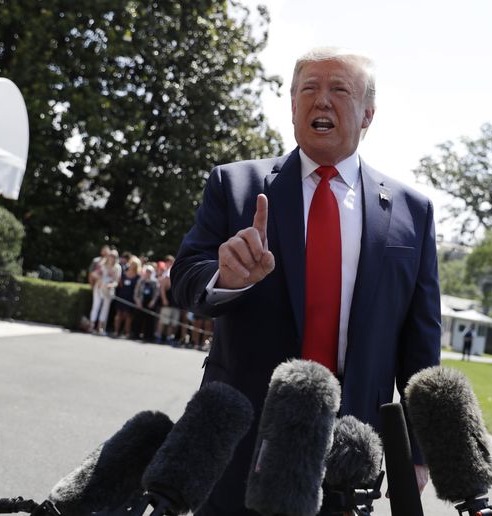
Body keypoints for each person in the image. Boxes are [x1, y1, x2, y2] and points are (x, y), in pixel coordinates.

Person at [171, 47, 441, 516]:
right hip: (242, 438)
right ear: (293, 104)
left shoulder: (412, 212)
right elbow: (185, 278)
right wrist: (226, 278)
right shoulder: (235, 186)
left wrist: (415, 452)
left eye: (340, 90)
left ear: (368, 115)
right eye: (309, 89)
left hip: (349, 447)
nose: (322, 100)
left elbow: (421, 342)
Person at [89, 249, 121, 336]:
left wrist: (111, 285)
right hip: (99, 288)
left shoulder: (118, 268)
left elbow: (116, 281)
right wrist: (99, 280)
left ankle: (100, 328)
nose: (112, 258)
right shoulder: (102, 264)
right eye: (111, 255)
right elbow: (94, 274)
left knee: (105, 309)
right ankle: (91, 326)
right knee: (96, 306)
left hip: (108, 291)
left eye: (114, 256)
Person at [112, 256, 140, 338]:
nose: (132, 266)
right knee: (119, 314)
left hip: (130, 298)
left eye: (134, 265)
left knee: (128, 316)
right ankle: (116, 331)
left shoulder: (138, 277)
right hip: (121, 296)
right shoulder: (123, 274)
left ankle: (126, 332)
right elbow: (119, 284)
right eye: (132, 264)